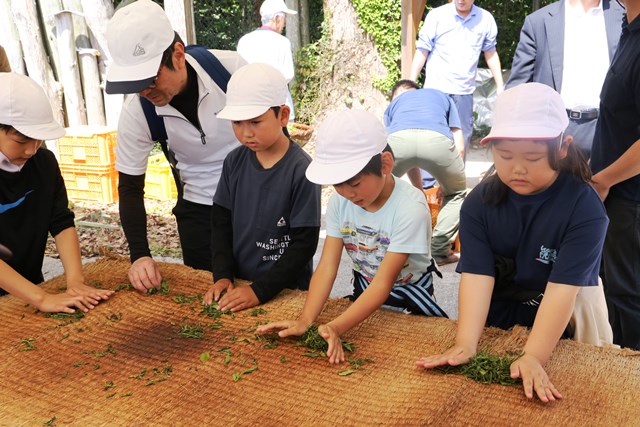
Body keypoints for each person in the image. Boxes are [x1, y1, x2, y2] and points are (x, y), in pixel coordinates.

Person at [416, 83, 611, 402]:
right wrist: (466, 342)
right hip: (502, 305)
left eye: (533, 157)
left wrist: (534, 355)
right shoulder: (479, 203)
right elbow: (478, 277)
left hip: (563, 307)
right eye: (505, 155)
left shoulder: (585, 208)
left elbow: (561, 291)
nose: (517, 168)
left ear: (563, 147)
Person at [257, 110, 447, 364]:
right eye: (337, 184)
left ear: (385, 164)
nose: (346, 193)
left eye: (354, 183)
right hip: (365, 289)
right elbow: (327, 266)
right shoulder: (340, 203)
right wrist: (306, 319)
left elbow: (384, 283)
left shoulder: (410, 207)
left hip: (409, 296)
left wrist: (336, 326)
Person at [104, 0, 245, 292]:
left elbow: (278, 139)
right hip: (199, 212)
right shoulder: (137, 110)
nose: (144, 91)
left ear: (178, 55)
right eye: (135, 83)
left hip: (256, 200)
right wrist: (140, 254)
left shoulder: (233, 72)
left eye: (150, 79)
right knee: (210, 304)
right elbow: (130, 186)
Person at [202, 63, 321, 312]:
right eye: (237, 122)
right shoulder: (234, 162)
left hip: (288, 290)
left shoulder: (302, 170)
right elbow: (220, 223)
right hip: (240, 284)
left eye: (256, 122)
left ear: (283, 115)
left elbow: (304, 244)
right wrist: (223, 275)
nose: (246, 133)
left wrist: (261, 290)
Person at [0, 73, 113, 313]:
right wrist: (41, 299)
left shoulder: (44, 163)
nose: (31, 150)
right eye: (21, 140)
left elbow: (60, 221)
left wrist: (75, 281)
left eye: (38, 139)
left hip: (29, 286)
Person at [507, 0, 625, 158]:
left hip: (611, 133)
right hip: (554, 134)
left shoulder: (627, 17)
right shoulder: (538, 22)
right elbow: (517, 90)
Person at [590, 0, 640, 350]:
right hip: (615, 194)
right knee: (612, 291)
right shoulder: (628, 27)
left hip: (629, 196)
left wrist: (604, 179)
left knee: (629, 296)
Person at [384, 79, 466, 266]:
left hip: (397, 142)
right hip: (437, 142)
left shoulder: (394, 105)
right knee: (456, 193)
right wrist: (446, 182)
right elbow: (459, 145)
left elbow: (408, 150)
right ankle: (438, 251)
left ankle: (384, 246)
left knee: (380, 191)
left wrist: (419, 189)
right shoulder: (442, 97)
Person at [409, 0, 505, 158]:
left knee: (462, 140)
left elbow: (491, 53)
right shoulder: (436, 16)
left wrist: (500, 85)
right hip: (435, 89)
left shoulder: (485, 19)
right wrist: (410, 83)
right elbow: (422, 52)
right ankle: (428, 182)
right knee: (431, 136)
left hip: (464, 92)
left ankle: (455, 180)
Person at [237, 0, 297, 120]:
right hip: (278, 103)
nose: (284, 24)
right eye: (284, 18)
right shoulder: (282, 42)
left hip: (251, 103)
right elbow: (288, 74)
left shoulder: (245, 41)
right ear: (276, 18)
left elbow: (240, 72)